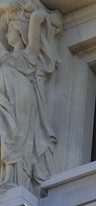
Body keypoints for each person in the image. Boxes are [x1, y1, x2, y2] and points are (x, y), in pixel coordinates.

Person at [0, 0, 62, 190]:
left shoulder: (29, 54)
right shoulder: (5, 55)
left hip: (23, 98)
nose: (7, 32)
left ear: (19, 31)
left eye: (10, 29)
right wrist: (6, 5)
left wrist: (28, 10)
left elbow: (38, 17)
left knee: (18, 136)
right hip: (6, 99)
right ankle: (8, 177)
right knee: (6, 135)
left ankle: (17, 180)